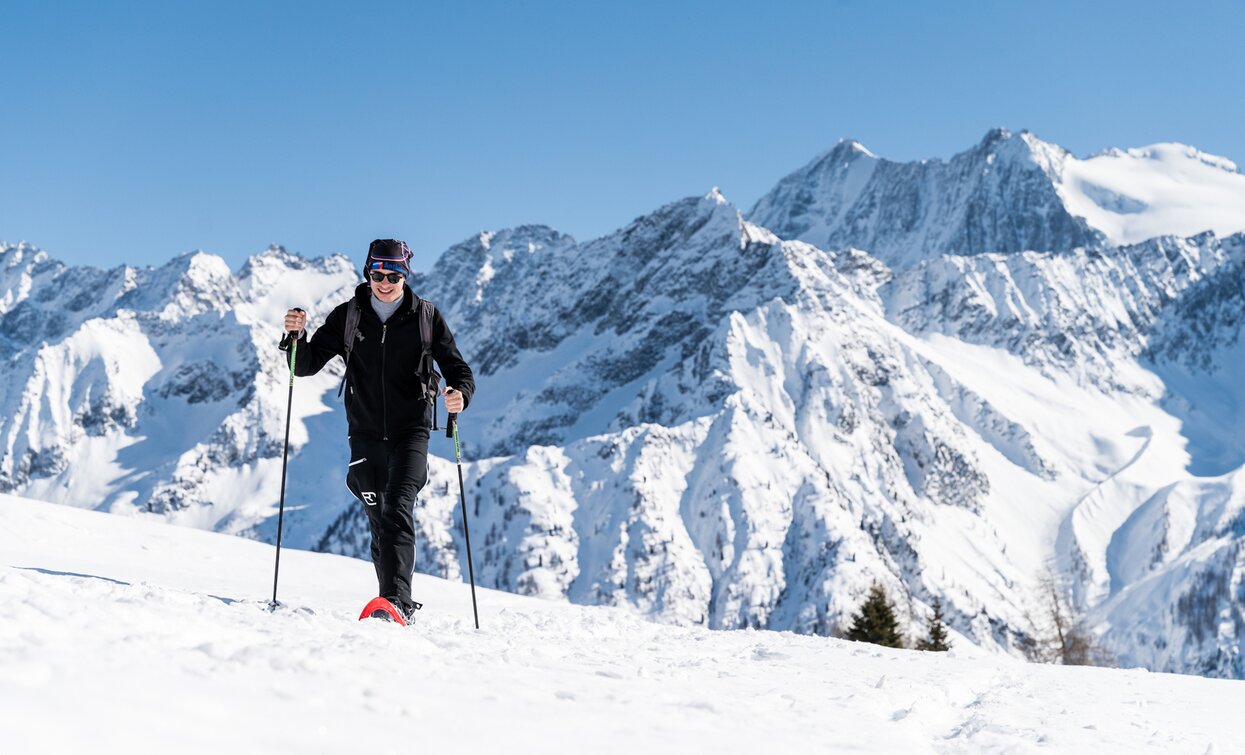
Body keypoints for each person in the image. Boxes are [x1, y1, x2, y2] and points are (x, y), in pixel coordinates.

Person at [280, 238, 474, 622]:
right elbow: (303, 367)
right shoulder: (349, 316)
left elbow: (459, 371)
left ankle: (397, 603)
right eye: (377, 274)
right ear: (367, 272)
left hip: (412, 432)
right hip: (365, 434)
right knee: (379, 519)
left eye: (393, 275)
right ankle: (389, 600)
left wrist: (460, 396)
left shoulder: (426, 317)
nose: (384, 282)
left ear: (405, 275)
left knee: (398, 508)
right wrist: (295, 339)